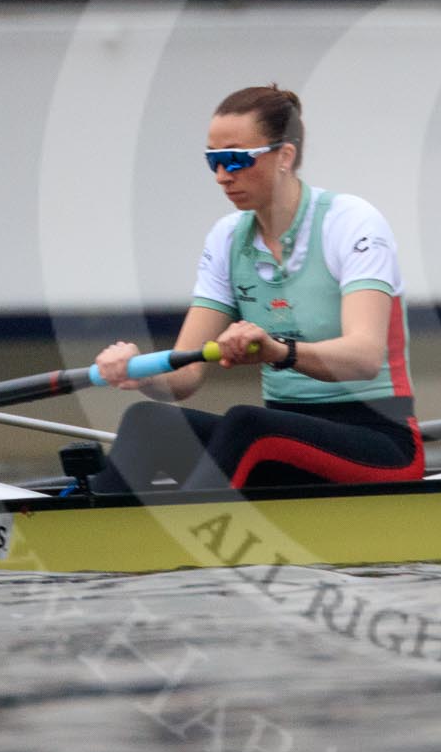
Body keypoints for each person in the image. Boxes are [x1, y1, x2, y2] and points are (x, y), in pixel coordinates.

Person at [89, 84, 422, 492]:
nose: (222, 176)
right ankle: (84, 548)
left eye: (236, 160)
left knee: (247, 423)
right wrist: (140, 371)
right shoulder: (227, 239)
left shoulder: (350, 223)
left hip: (379, 441)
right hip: (281, 444)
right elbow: (186, 375)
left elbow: (365, 358)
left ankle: (190, 542)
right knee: (149, 420)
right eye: (212, 160)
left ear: (285, 156)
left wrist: (278, 350)